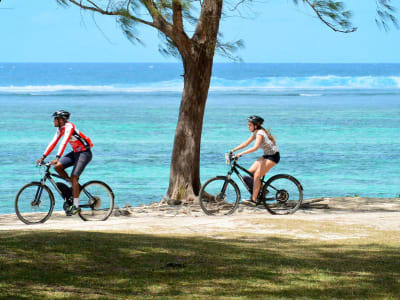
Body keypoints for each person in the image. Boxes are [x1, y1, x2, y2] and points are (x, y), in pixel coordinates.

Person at [37, 110, 93, 216]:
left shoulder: (69, 127)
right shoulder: (60, 129)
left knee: (74, 176)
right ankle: (73, 187)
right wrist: (43, 156)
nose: (53, 121)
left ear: (61, 120)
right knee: (57, 167)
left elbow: (64, 142)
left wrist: (57, 157)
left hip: (85, 153)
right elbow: (53, 142)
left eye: (55, 119)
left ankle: (76, 206)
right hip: (76, 153)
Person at [231, 115, 280, 206]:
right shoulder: (255, 132)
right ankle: (262, 190)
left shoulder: (260, 133)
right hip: (266, 155)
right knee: (249, 174)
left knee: (257, 175)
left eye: (250, 125)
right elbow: (246, 143)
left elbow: (255, 148)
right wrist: (233, 150)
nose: (248, 126)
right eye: (248, 125)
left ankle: (254, 200)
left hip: (273, 156)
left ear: (255, 126)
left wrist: (240, 154)